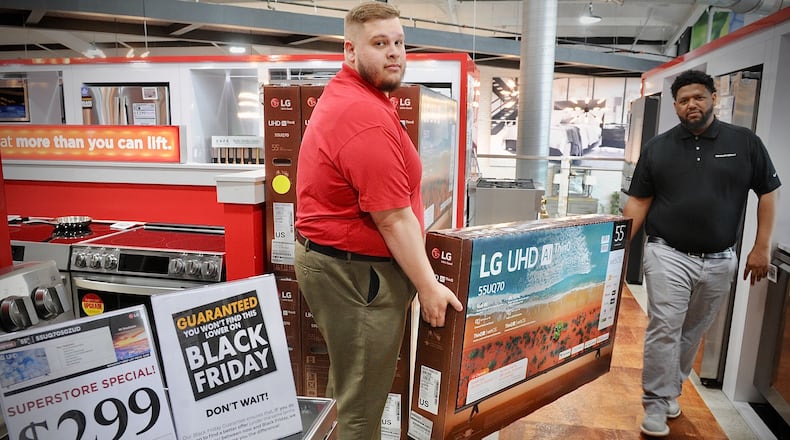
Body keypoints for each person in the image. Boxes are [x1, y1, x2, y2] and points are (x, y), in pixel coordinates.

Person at [293, 2, 463, 439]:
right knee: (362, 411)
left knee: (351, 387)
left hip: (346, 268)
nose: (394, 53)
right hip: (355, 276)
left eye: (399, 43)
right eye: (380, 44)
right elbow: (392, 219)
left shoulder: (365, 98)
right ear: (350, 51)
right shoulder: (362, 116)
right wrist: (428, 288)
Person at [624, 69, 781, 437]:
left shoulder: (745, 142)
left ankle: (670, 387)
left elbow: (768, 192)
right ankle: (656, 404)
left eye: (698, 97)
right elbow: (638, 203)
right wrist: (616, 253)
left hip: (720, 258)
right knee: (665, 326)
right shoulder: (658, 148)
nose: (691, 104)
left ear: (713, 97)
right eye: (683, 100)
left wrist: (761, 246)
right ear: (675, 106)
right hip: (667, 253)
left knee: (691, 331)